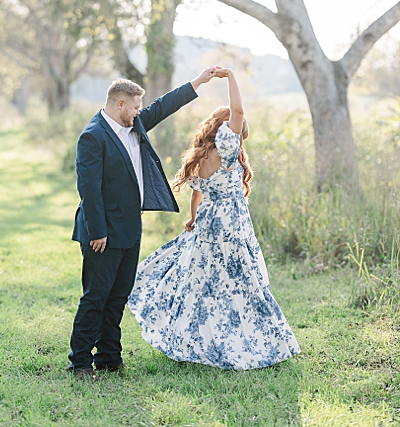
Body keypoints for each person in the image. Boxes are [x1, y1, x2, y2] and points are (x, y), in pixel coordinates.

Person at [127, 69, 300, 370]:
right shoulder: (228, 149)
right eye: (238, 128)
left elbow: (197, 196)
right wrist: (231, 76)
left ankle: (199, 338)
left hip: (208, 224)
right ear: (228, 129)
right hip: (232, 226)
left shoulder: (199, 156)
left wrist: (193, 221)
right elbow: (239, 109)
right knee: (243, 282)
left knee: (205, 284)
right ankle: (247, 340)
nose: (240, 131)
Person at [68, 68, 222, 379]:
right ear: (120, 103)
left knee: (118, 296)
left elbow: (164, 106)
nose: (141, 112)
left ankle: (109, 357)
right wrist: (97, 231)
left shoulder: (134, 125)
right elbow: (89, 188)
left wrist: (198, 82)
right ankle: (80, 362)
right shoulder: (93, 136)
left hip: (130, 228)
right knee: (96, 297)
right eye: (136, 106)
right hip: (102, 233)